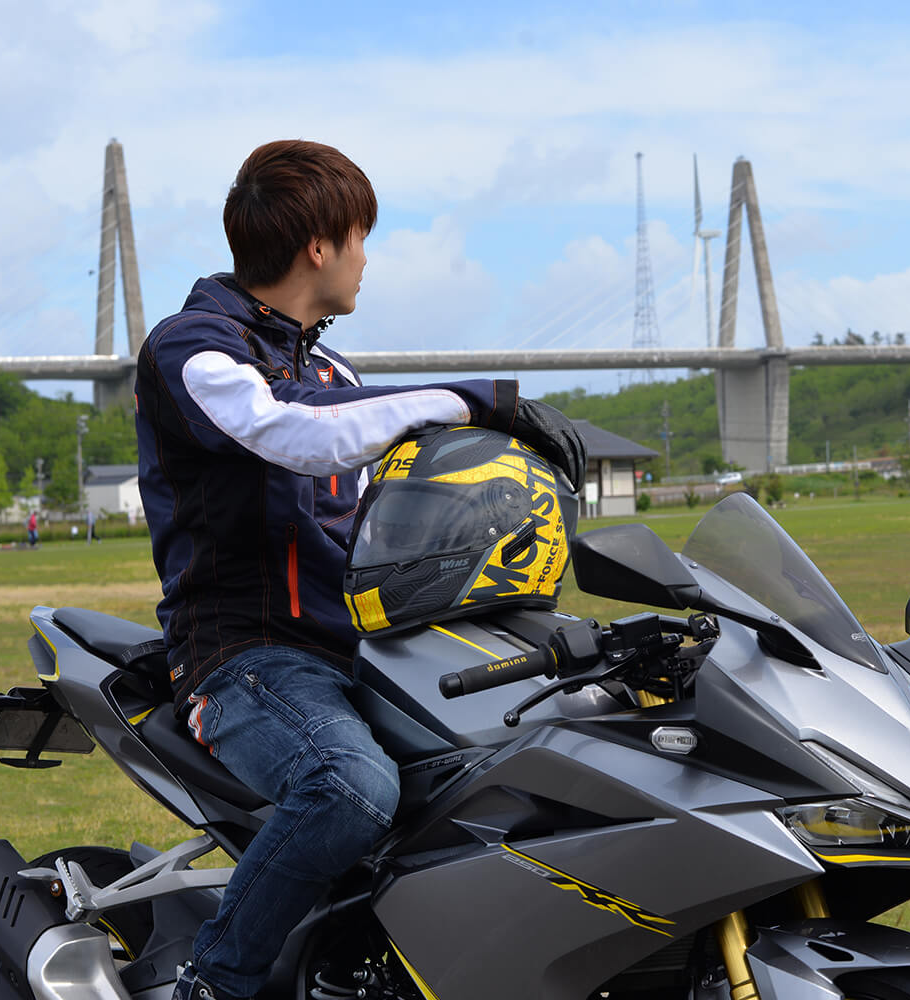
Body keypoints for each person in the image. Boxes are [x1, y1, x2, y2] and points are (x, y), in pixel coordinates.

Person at [134, 140, 585, 1000]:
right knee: (349, 786)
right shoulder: (193, 350)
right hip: (250, 657)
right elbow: (295, 429)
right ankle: (213, 983)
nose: (367, 259)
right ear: (320, 244)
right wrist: (479, 399)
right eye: (362, 238)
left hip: (367, 649)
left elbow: (397, 495)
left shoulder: (331, 368)